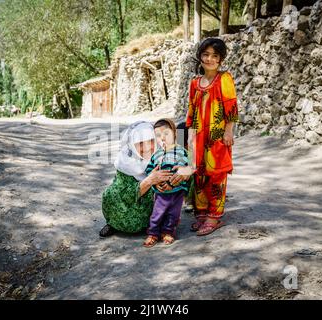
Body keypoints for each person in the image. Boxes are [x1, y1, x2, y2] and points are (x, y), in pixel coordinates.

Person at [185, 37, 239, 236]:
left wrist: (228, 131)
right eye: (206, 55)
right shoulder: (194, 82)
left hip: (217, 135)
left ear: (221, 59)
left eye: (214, 56)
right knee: (198, 172)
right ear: (200, 57)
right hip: (197, 135)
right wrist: (189, 134)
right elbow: (191, 109)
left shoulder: (224, 79)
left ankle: (214, 216)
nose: (210, 59)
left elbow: (231, 107)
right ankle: (201, 212)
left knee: (216, 173)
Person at [100, 121, 174, 237]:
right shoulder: (125, 162)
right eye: (140, 143)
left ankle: (154, 226)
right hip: (131, 203)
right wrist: (149, 181)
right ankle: (113, 224)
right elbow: (124, 194)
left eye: (150, 141)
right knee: (110, 194)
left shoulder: (162, 156)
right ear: (131, 144)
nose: (147, 147)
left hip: (151, 205)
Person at [143, 119, 190, 247]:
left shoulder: (181, 151)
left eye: (166, 134)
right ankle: (153, 233)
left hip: (177, 191)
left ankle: (168, 231)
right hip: (161, 192)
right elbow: (149, 170)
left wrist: (181, 169)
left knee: (173, 214)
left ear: (175, 134)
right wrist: (152, 178)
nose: (162, 138)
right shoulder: (156, 155)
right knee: (157, 213)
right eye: (158, 135)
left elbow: (186, 166)